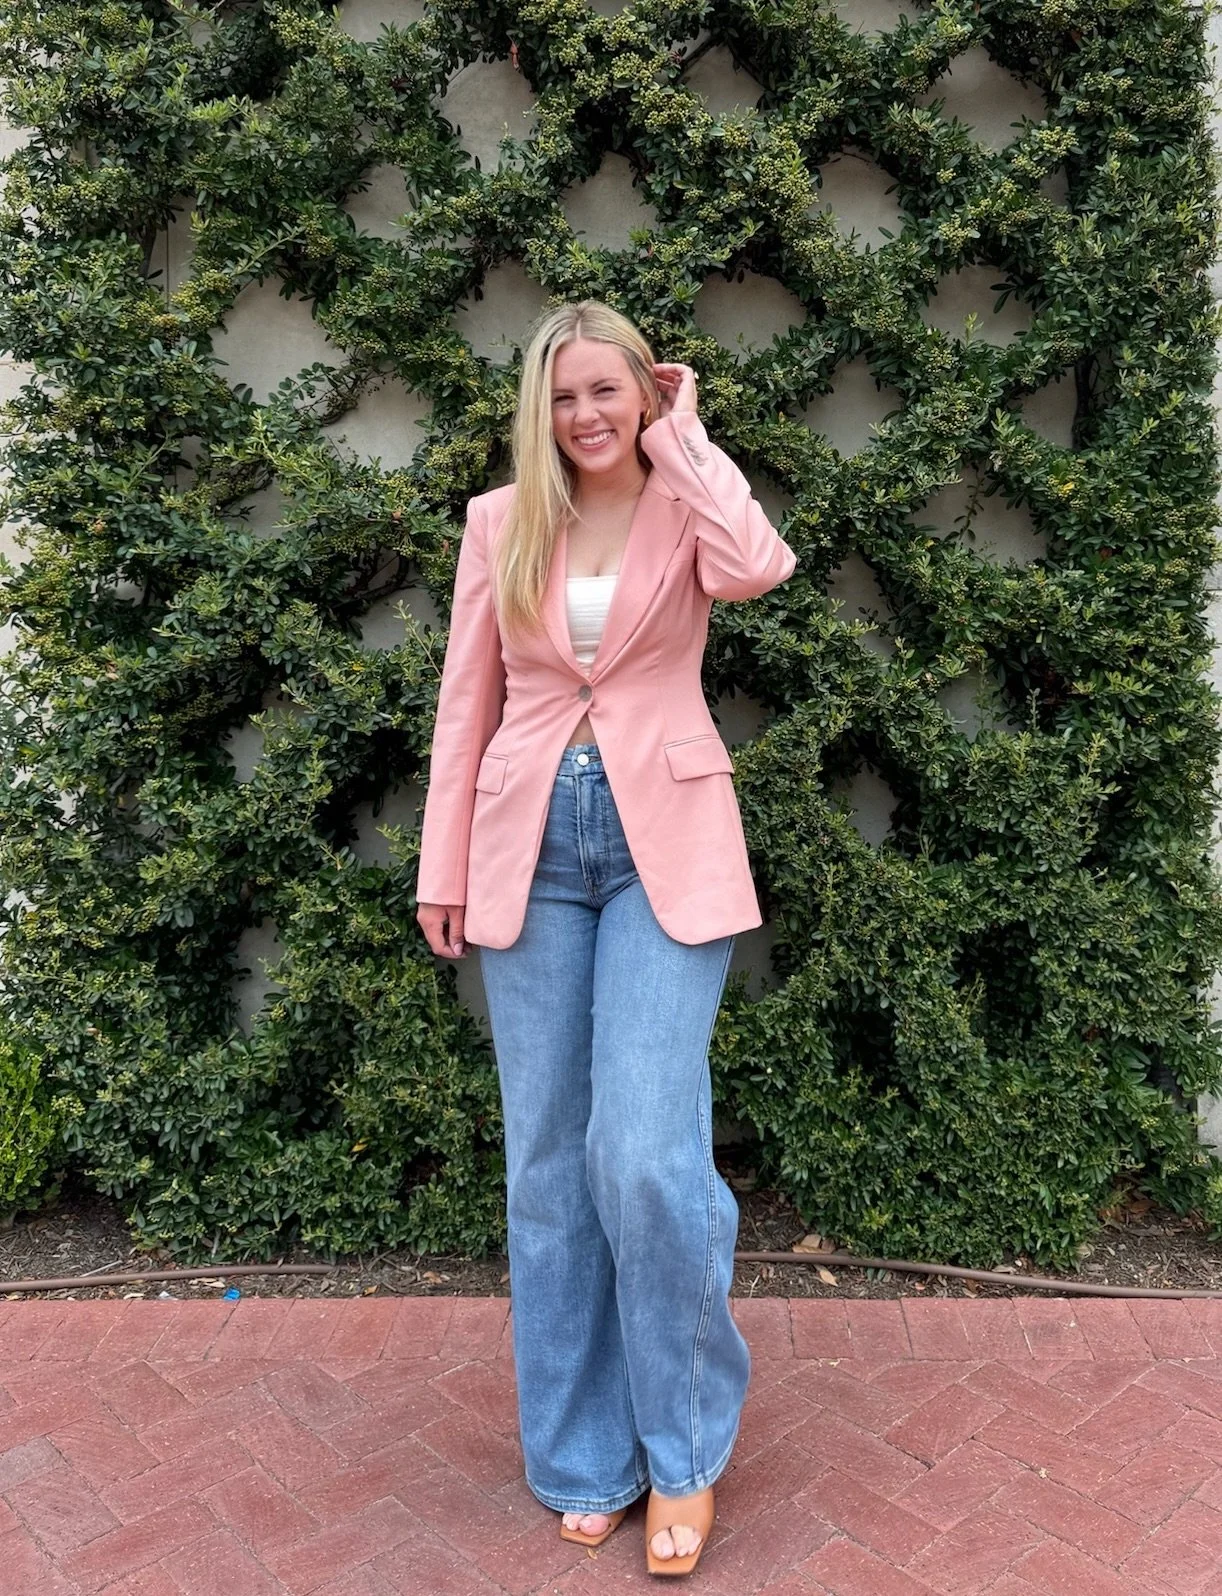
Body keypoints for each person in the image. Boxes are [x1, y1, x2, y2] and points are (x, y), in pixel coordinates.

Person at [415, 298, 797, 1577]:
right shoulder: (498, 522)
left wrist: (688, 436)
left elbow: (759, 565)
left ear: (643, 393)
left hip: (663, 843)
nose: (586, 417)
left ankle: (681, 1450)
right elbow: (468, 700)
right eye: (564, 396)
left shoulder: (686, 500)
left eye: (608, 392)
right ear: (542, 406)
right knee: (549, 1168)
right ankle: (584, 1453)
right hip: (529, 842)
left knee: (643, 1152)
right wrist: (443, 862)